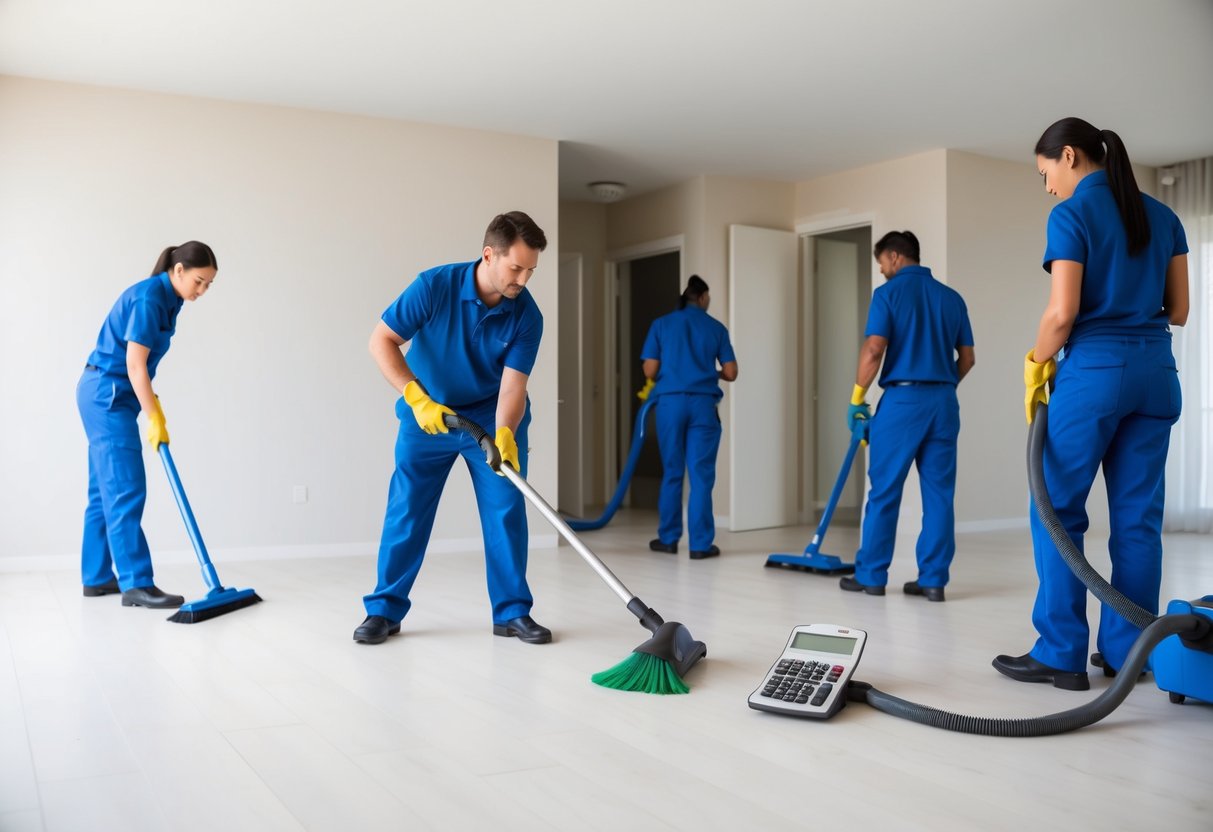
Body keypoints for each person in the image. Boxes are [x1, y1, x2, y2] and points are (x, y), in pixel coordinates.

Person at [993, 118, 1189, 691]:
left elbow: (1062, 313)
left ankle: (1060, 652)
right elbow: (1177, 311)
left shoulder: (1071, 214)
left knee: (1055, 510)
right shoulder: (1165, 215)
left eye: (1046, 172)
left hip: (1094, 375)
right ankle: (1130, 651)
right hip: (1156, 375)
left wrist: (1035, 363)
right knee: (1138, 521)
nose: (1048, 185)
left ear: (1070, 156)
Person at [355, 211, 551, 645]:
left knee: (505, 510)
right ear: (488, 255)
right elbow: (380, 341)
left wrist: (504, 434)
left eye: (530, 270)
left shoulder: (527, 316)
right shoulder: (434, 286)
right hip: (427, 415)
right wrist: (415, 396)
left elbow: (513, 387)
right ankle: (384, 611)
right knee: (407, 509)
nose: (523, 278)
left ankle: (512, 613)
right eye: (516, 267)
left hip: (488, 416)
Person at [77, 241, 218, 609]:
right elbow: (135, 365)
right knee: (126, 487)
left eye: (208, 285)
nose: (201, 291)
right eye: (199, 281)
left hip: (107, 393)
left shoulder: (170, 299)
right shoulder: (149, 299)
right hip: (108, 395)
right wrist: (154, 415)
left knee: (103, 490)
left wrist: (150, 405)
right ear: (179, 271)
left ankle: (96, 577)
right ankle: (137, 583)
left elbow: (141, 368)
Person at [840, 231, 975, 601]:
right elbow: (967, 359)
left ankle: (871, 576)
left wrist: (857, 399)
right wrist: (943, 385)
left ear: (896, 257)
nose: (881, 269)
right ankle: (933, 580)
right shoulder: (951, 298)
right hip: (944, 403)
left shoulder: (888, 294)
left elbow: (873, 349)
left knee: (884, 491)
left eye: (882, 261)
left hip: (902, 401)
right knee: (939, 496)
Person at [639, 275, 738, 560]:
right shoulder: (715, 327)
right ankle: (701, 545)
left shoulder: (662, 324)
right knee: (701, 477)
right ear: (703, 297)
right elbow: (731, 372)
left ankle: (668, 539)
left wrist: (675, 370)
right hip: (703, 406)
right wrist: (709, 372)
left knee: (672, 472)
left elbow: (649, 370)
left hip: (670, 405)